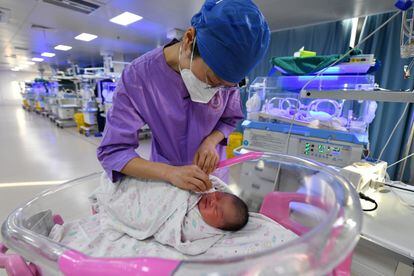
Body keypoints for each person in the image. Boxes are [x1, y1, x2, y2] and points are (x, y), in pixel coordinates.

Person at [97, 0, 270, 192]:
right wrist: (169, 173)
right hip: (166, 178)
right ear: (189, 39)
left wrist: (210, 142)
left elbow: (230, 119)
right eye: (212, 80)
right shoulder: (139, 77)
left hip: (212, 172)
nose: (217, 90)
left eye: (226, 86)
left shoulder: (227, 80)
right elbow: (113, 151)